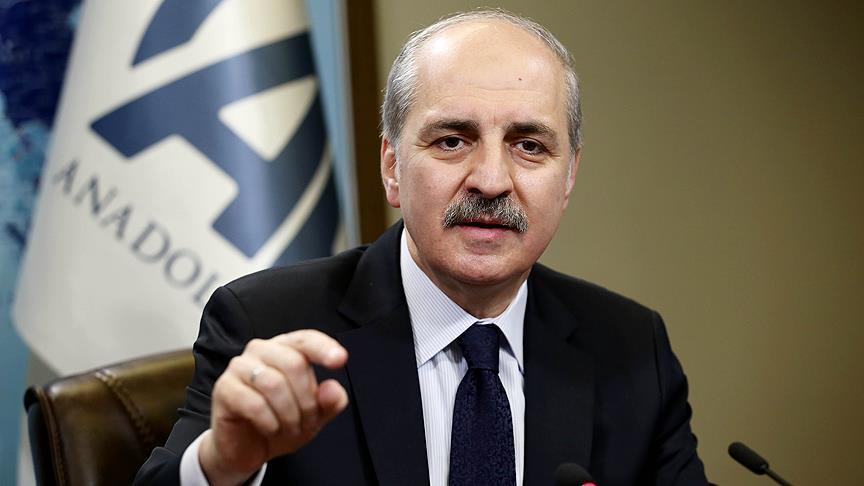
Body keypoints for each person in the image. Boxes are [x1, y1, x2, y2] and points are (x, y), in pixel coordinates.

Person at [135, 9, 708, 486]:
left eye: (529, 146)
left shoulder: (633, 351)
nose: (491, 180)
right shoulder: (268, 321)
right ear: (392, 167)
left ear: (569, 177)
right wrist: (223, 465)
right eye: (453, 140)